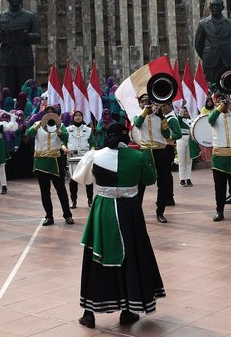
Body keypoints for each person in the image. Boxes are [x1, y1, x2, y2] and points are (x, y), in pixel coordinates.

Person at [76, 122, 165, 329]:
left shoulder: (94, 156)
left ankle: (89, 314)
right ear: (126, 137)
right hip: (130, 211)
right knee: (132, 256)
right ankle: (127, 310)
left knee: (97, 258)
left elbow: (82, 179)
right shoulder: (139, 156)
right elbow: (151, 180)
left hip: (103, 210)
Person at [25, 105, 74, 226]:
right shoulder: (37, 124)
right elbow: (28, 134)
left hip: (55, 161)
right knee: (44, 191)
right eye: (47, 113)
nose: (50, 115)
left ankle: (67, 215)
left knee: (61, 190)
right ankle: (49, 216)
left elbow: (65, 137)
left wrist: (57, 129)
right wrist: (36, 126)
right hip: (40, 161)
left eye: (52, 113)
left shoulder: (60, 125)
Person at [0, 0, 40, 97]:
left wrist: (27, 36)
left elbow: (37, 37)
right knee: (7, 90)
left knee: (26, 90)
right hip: (6, 58)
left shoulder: (30, 16)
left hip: (24, 57)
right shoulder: (0, 16)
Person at [134, 94, 176, 223]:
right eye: (143, 102)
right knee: (141, 183)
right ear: (139, 104)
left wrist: (162, 117)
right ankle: (137, 212)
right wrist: (146, 110)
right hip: (145, 152)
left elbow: (167, 134)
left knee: (162, 182)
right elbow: (137, 124)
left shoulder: (160, 117)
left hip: (160, 151)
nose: (146, 103)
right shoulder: (138, 116)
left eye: (148, 101)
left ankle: (160, 212)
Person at [194, 0, 231, 84]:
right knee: (211, 86)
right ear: (210, 8)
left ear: (222, 7)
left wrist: (228, 52)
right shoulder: (203, 24)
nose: (216, 8)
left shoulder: (230, 24)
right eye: (213, 6)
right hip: (209, 59)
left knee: (227, 84)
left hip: (226, 59)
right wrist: (206, 55)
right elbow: (198, 44)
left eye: (218, 6)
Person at [65, 111, 96, 208]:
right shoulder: (67, 129)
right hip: (72, 157)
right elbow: (63, 142)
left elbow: (92, 144)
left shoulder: (88, 130)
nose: (78, 117)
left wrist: (92, 152)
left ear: (83, 117)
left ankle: (90, 200)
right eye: (76, 115)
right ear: (73, 117)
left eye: (80, 115)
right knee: (73, 181)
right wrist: (64, 148)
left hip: (85, 157)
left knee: (88, 179)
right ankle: (73, 201)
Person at [176, 106, 200, 187]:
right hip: (181, 139)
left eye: (187, 111)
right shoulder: (179, 120)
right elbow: (179, 118)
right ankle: (182, 179)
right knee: (182, 161)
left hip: (189, 140)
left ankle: (188, 178)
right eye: (184, 111)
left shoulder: (191, 121)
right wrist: (182, 108)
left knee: (189, 161)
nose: (186, 113)